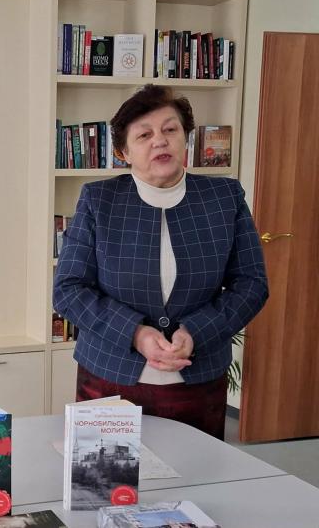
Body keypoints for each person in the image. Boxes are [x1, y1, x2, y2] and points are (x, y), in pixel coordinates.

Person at [53, 84, 269, 440]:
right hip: (109, 378)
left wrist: (195, 331)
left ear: (186, 138)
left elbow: (252, 284)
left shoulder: (224, 197)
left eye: (170, 129)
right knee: (106, 474)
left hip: (198, 382)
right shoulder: (99, 200)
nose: (160, 141)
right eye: (144, 135)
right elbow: (68, 289)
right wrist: (136, 333)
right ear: (124, 152)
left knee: (195, 471)